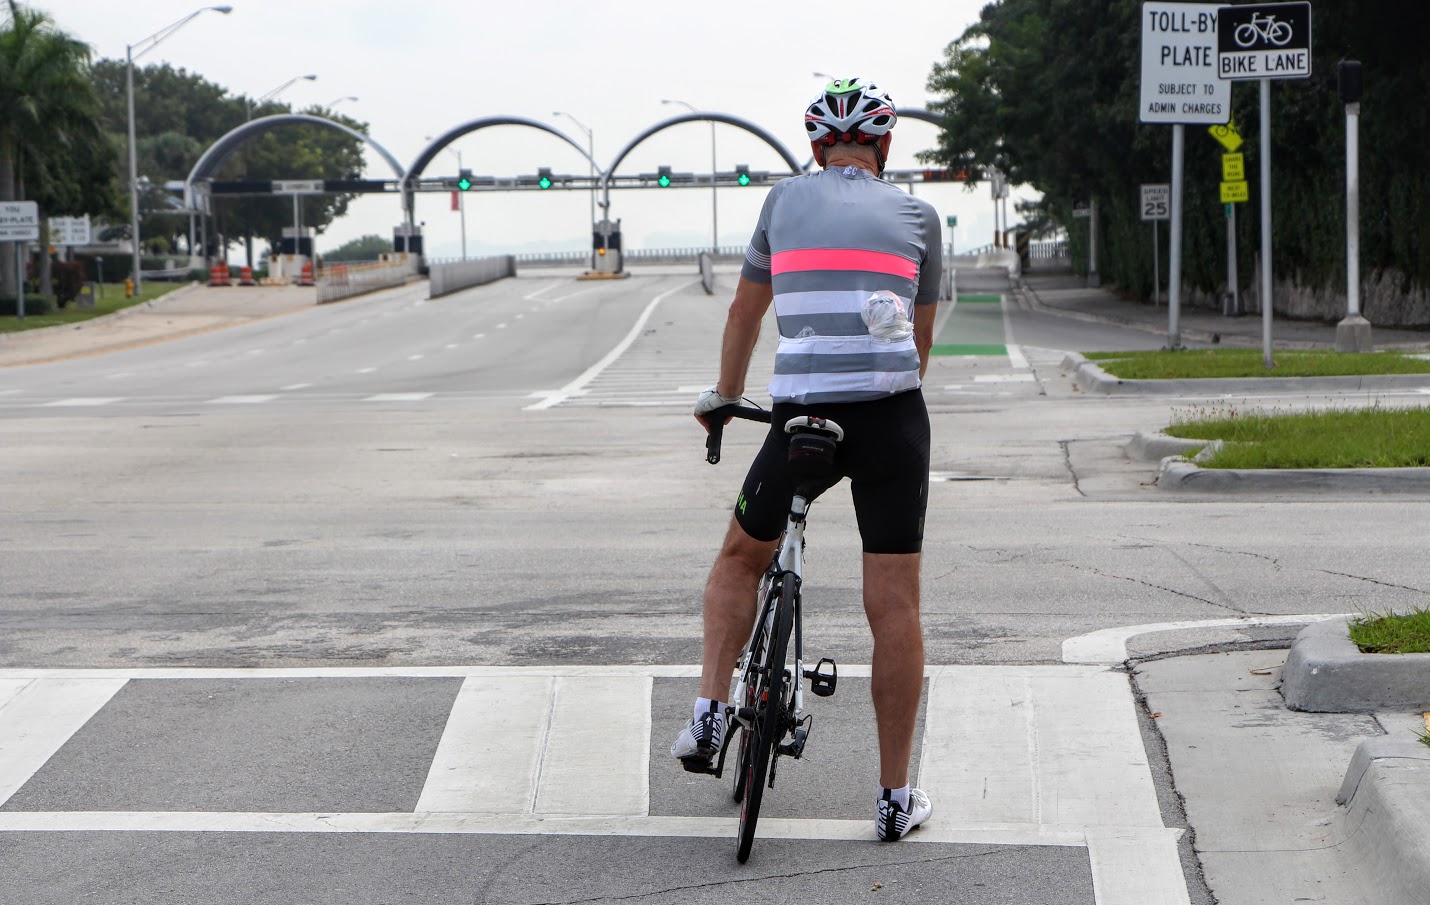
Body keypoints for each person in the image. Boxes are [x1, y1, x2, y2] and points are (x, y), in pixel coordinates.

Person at [672, 77, 942, 842]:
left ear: (816, 149)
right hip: (891, 419)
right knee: (893, 606)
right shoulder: (920, 217)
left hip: (800, 418)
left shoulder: (782, 202)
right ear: (883, 147)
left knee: (739, 559)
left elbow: (744, 312)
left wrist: (725, 394)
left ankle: (710, 710)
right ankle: (894, 797)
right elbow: (918, 347)